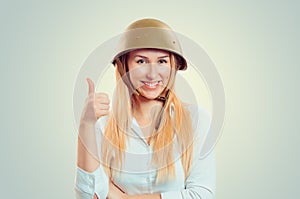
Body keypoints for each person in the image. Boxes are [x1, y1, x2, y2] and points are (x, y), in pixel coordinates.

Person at [75, 18, 216, 199]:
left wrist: (124, 198)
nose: (152, 73)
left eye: (162, 62)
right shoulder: (103, 125)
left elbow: (202, 195)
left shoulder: (197, 119)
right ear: (124, 66)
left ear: (174, 66)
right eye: (141, 62)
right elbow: (89, 196)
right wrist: (86, 125)